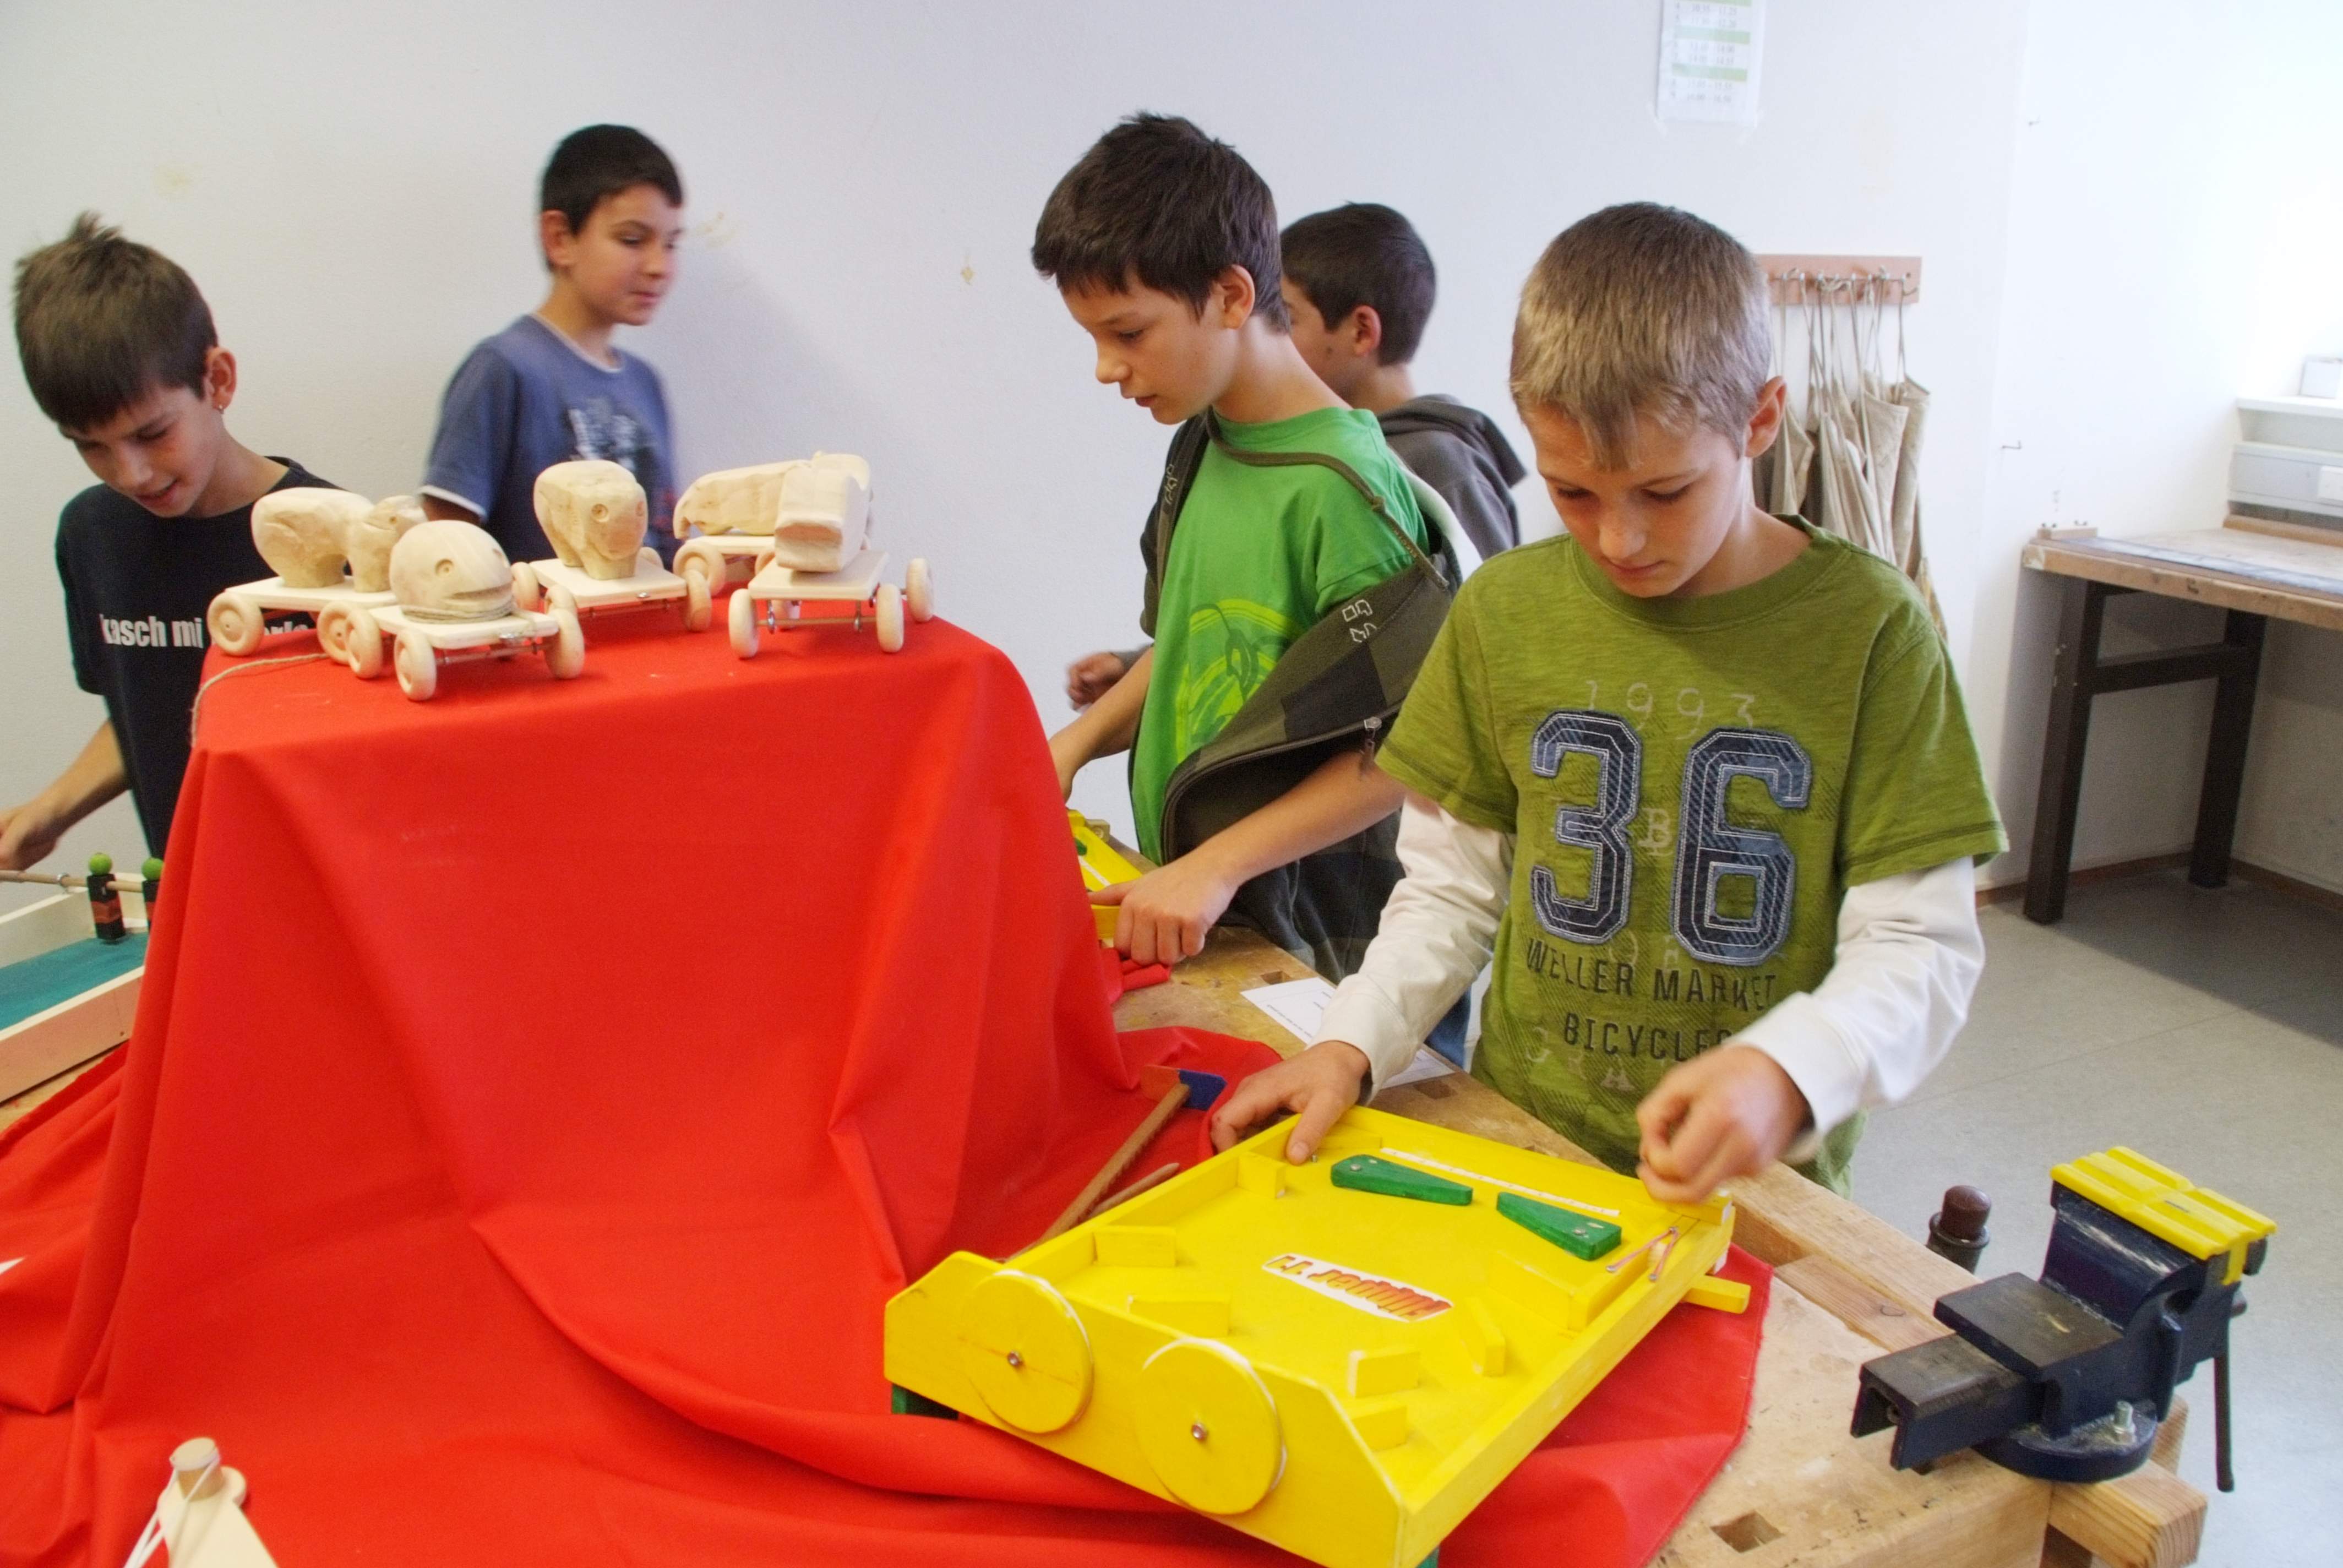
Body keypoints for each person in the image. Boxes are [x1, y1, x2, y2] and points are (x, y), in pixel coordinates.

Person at [1211, 203, 2005, 1202]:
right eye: (1573, 493)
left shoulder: (1872, 632)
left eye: (1666, 493)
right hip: (1531, 1143)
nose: (1619, 539)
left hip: (1755, 1185)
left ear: (1760, 420)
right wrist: (1351, 1042)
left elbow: (1920, 946)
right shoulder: (1504, 610)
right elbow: (1451, 890)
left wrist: (1788, 1070)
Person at [1034, 113, 1441, 981]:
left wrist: (1220, 865)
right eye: (1093, 339)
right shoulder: (1203, 440)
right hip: (1203, 901)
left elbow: (1411, 749)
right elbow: (1187, 646)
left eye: (1128, 333)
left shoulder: (1341, 487)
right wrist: (1075, 743)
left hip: (1308, 943)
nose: (1106, 368)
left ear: (1230, 296)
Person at [3, 214, 335, 869]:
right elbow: (145, 712)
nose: (131, 474)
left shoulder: (331, 534)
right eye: (91, 446)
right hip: (185, 900)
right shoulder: (91, 535)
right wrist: (53, 807)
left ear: (218, 380)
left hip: (314, 892)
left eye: (152, 433)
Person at [422, 124, 683, 567]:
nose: (660, 266)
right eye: (633, 240)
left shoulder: (646, 383)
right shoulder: (503, 368)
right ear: (560, 238)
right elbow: (443, 552)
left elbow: (668, 544)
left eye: (672, 244)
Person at [1282, 202, 1526, 563]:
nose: (1270, 339)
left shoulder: (1442, 466)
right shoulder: (1329, 449)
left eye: (1286, 319)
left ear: (1362, 331)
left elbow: (1495, 597)